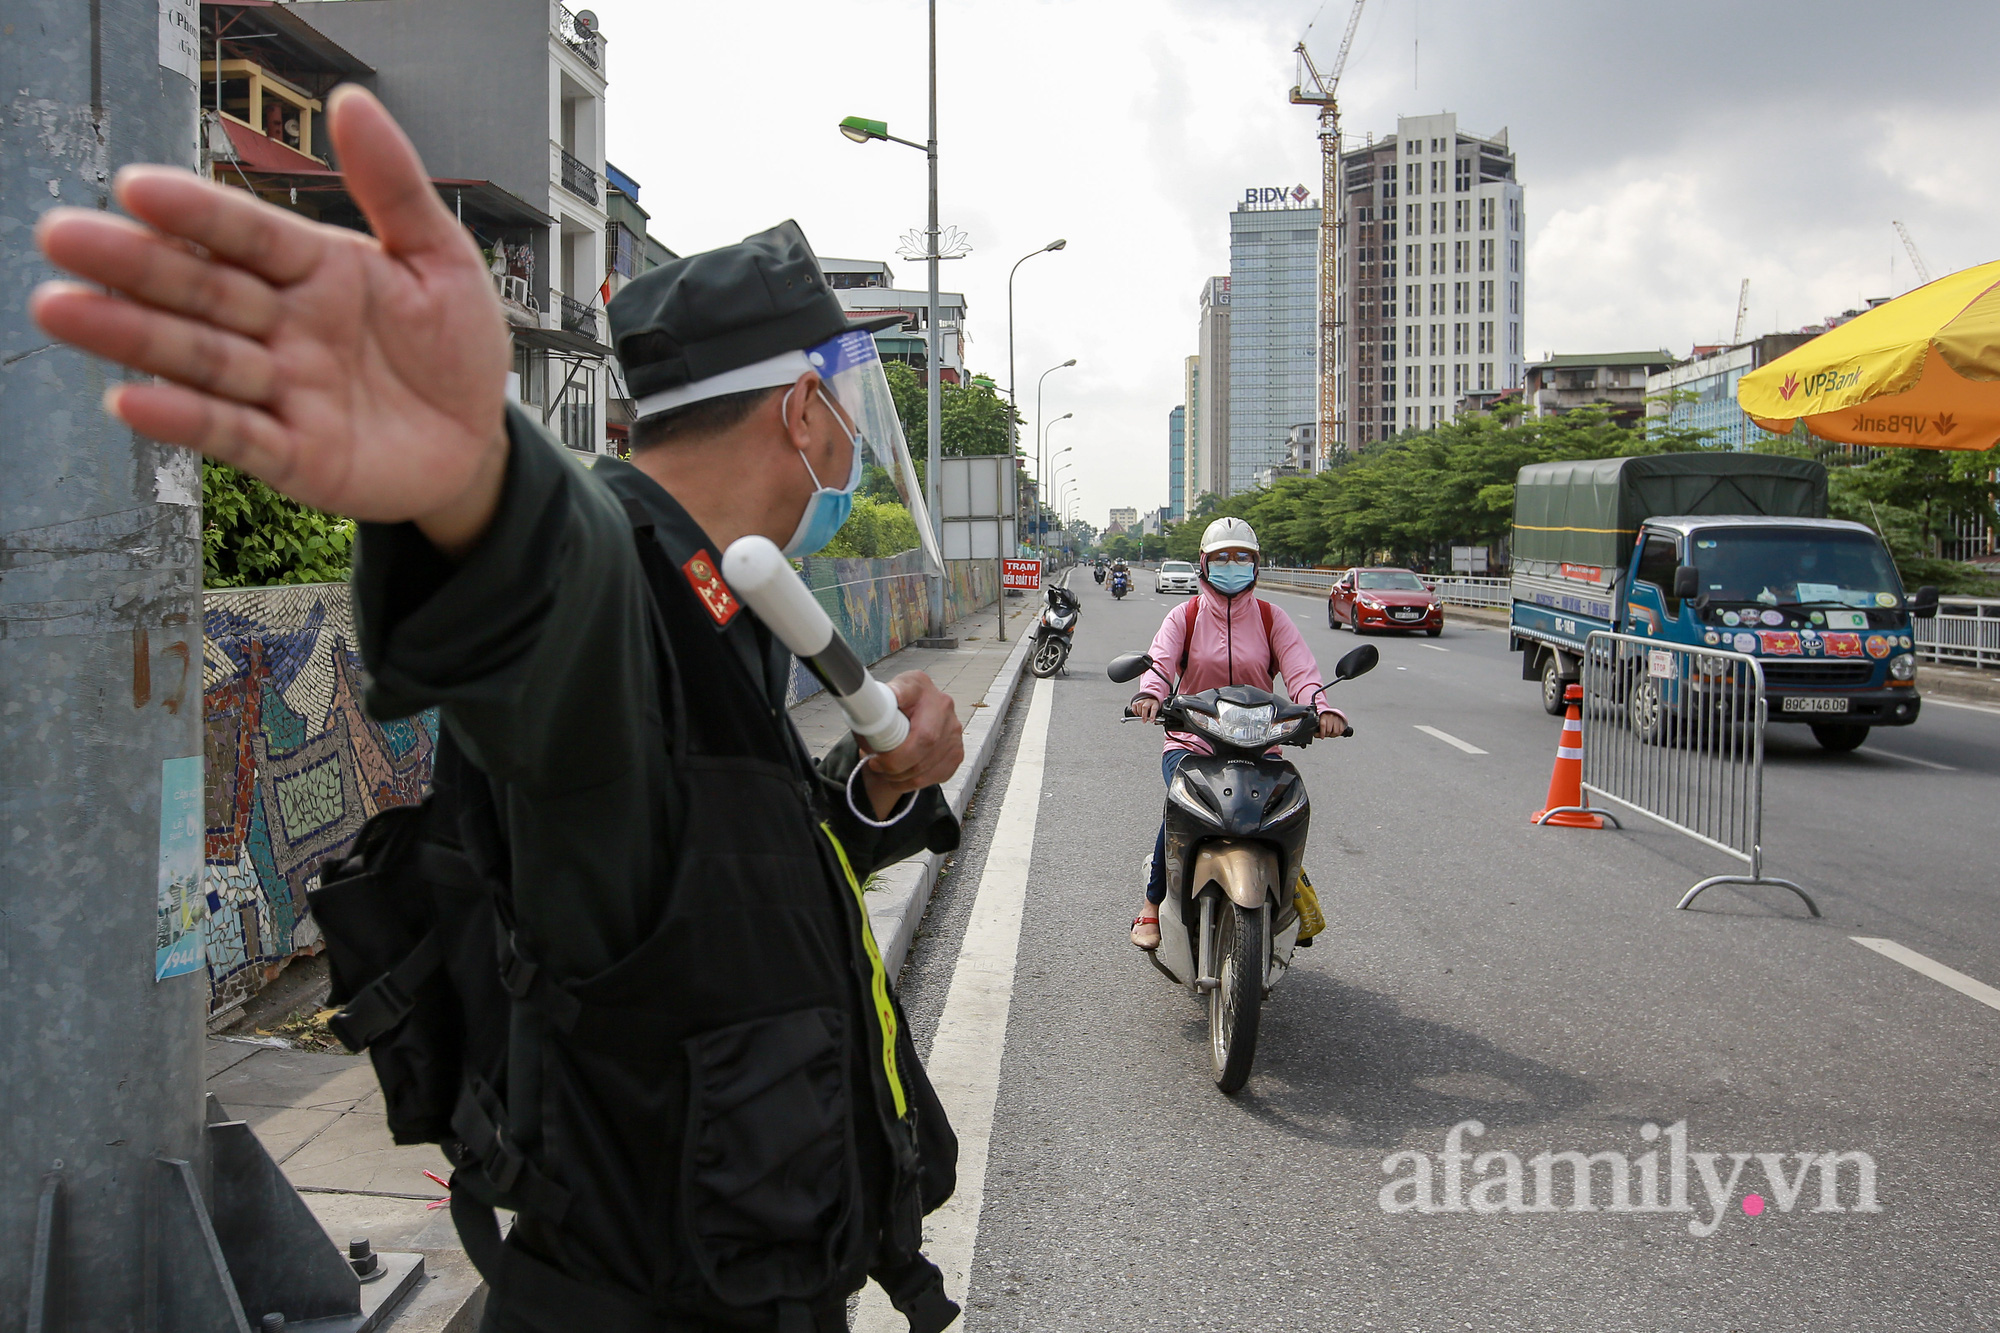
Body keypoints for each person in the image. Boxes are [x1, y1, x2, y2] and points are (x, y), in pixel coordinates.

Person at [32, 87, 965, 1333]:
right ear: (801, 409)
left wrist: (875, 787)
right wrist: (479, 470)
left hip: (735, 1265)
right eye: (844, 399)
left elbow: (705, 890)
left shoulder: (724, 601)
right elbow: (549, 600)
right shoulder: (626, 583)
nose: (852, 438)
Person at [1125, 517, 1345, 949]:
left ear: (1256, 565)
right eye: (1222, 557)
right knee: (1179, 809)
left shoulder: (1270, 618)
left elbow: (1301, 672)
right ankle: (1152, 904)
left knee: (1282, 813)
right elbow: (1159, 663)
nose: (1233, 565)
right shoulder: (1184, 616)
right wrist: (1150, 695)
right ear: (1204, 564)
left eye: (1242, 557)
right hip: (1194, 741)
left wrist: (1321, 709)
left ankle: (1288, 896)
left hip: (1261, 743)